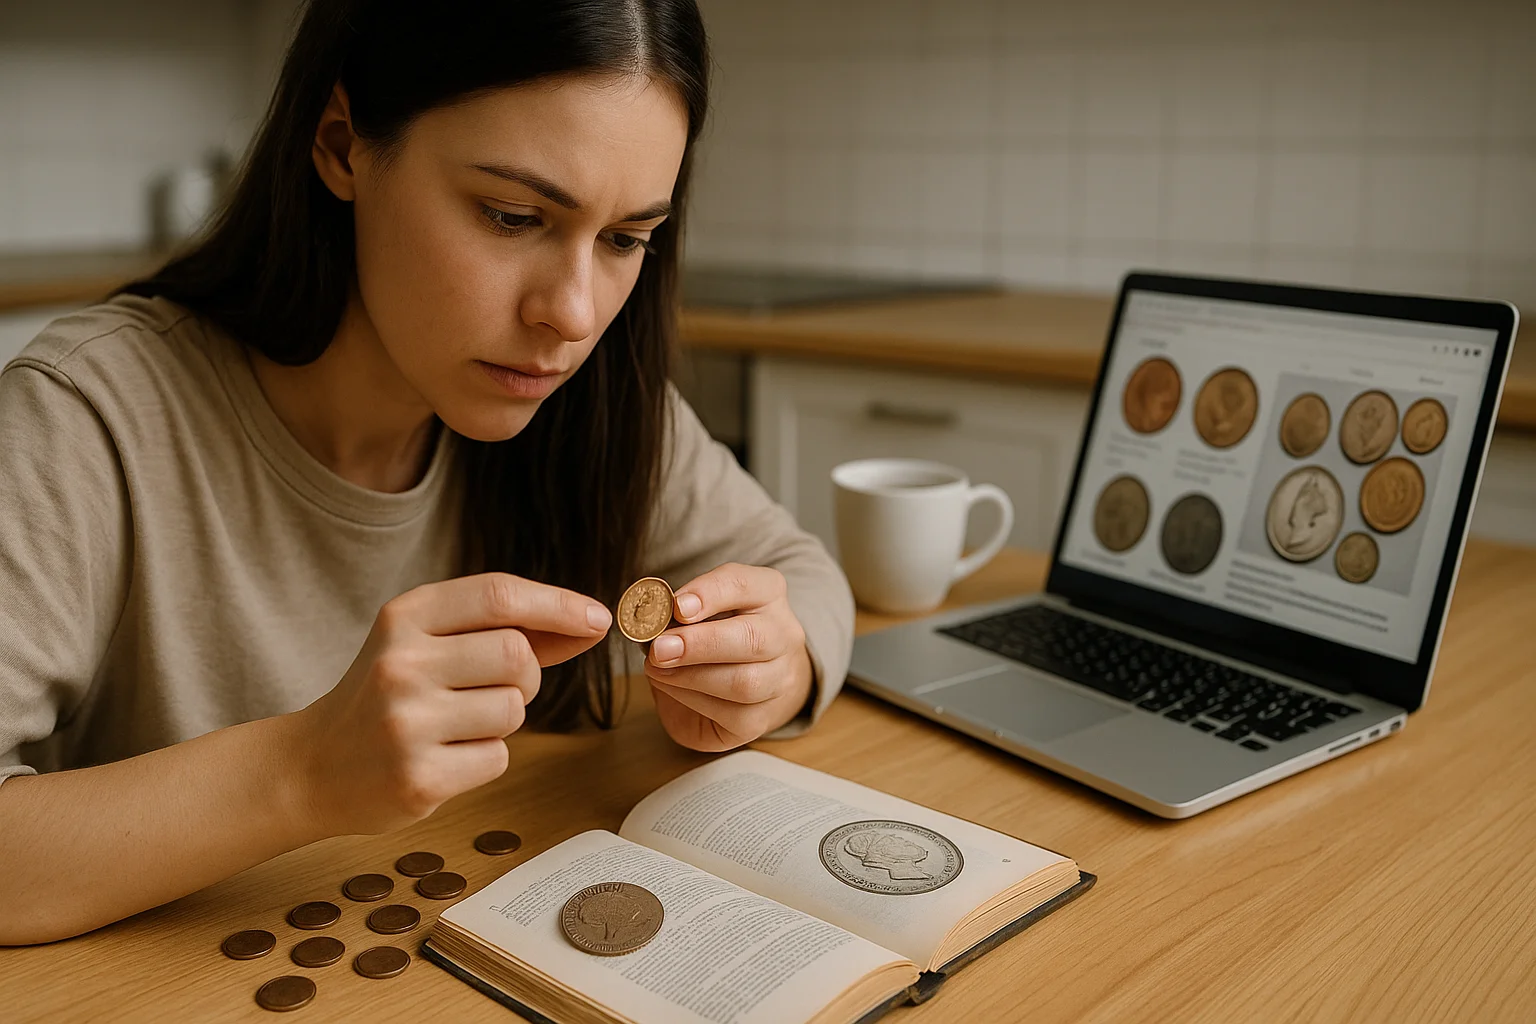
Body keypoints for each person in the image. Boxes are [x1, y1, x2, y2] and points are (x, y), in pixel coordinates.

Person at [0, 0, 853, 945]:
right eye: (512, 215)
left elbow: (798, 570)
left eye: (624, 239)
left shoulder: (596, 402)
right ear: (340, 144)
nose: (571, 314)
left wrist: (778, 663)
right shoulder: (83, 417)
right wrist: (303, 771)